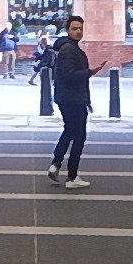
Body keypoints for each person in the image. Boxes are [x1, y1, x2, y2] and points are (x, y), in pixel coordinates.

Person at [47, 16, 102, 189]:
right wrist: (90, 72)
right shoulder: (69, 50)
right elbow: (69, 75)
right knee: (79, 136)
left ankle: (56, 164)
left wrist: (87, 100)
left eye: (80, 28)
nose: (78, 31)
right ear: (68, 30)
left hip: (71, 98)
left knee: (70, 131)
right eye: (74, 28)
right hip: (72, 99)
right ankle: (72, 177)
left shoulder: (70, 48)